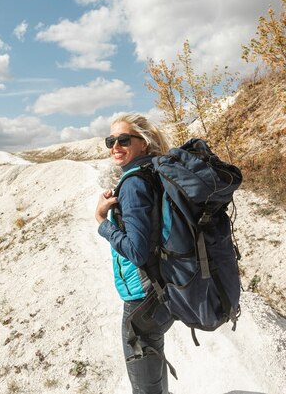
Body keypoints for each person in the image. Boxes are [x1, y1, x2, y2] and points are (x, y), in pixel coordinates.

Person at [95, 114, 173, 394]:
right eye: (110, 141)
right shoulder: (155, 170)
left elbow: (137, 252)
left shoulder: (134, 183)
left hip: (143, 296)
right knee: (153, 355)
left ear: (144, 143)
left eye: (123, 140)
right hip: (164, 283)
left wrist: (102, 222)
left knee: (144, 383)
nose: (115, 146)